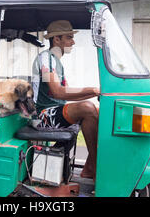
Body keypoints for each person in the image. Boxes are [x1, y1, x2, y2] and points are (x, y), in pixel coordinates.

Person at [32, 20, 100, 180]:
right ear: (56, 39)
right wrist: (92, 90)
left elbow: (66, 92)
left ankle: (91, 166)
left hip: (53, 114)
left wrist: (96, 93)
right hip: (42, 116)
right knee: (87, 108)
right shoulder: (45, 58)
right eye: (69, 37)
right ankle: (95, 167)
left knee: (97, 111)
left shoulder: (56, 63)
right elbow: (58, 92)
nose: (73, 41)